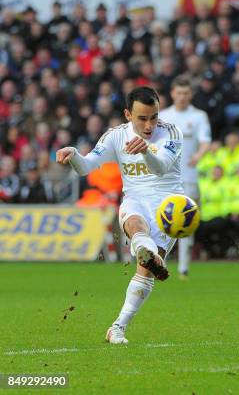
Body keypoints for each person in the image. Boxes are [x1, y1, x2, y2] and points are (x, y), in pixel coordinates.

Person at [56, 86, 184, 345]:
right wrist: (74, 155)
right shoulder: (114, 136)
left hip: (169, 206)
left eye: (154, 117)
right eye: (142, 118)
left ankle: (118, 326)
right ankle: (148, 253)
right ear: (128, 114)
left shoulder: (171, 132)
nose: (149, 124)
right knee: (135, 225)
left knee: (144, 273)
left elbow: (161, 168)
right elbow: (86, 167)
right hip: (135, 198)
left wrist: (146, 150)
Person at [160, 77, 211, 279]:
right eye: (179, 93)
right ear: (172, 93)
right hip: (165, 177)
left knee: (185, 221)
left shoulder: (199, 116)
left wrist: (198, 156)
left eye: (186, 93)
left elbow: (205, 141)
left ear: (191, 95)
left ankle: (183, 267)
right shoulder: (163, 116)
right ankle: (159, 262)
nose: (182, 97)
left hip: (188, 177)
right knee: (162, 220)